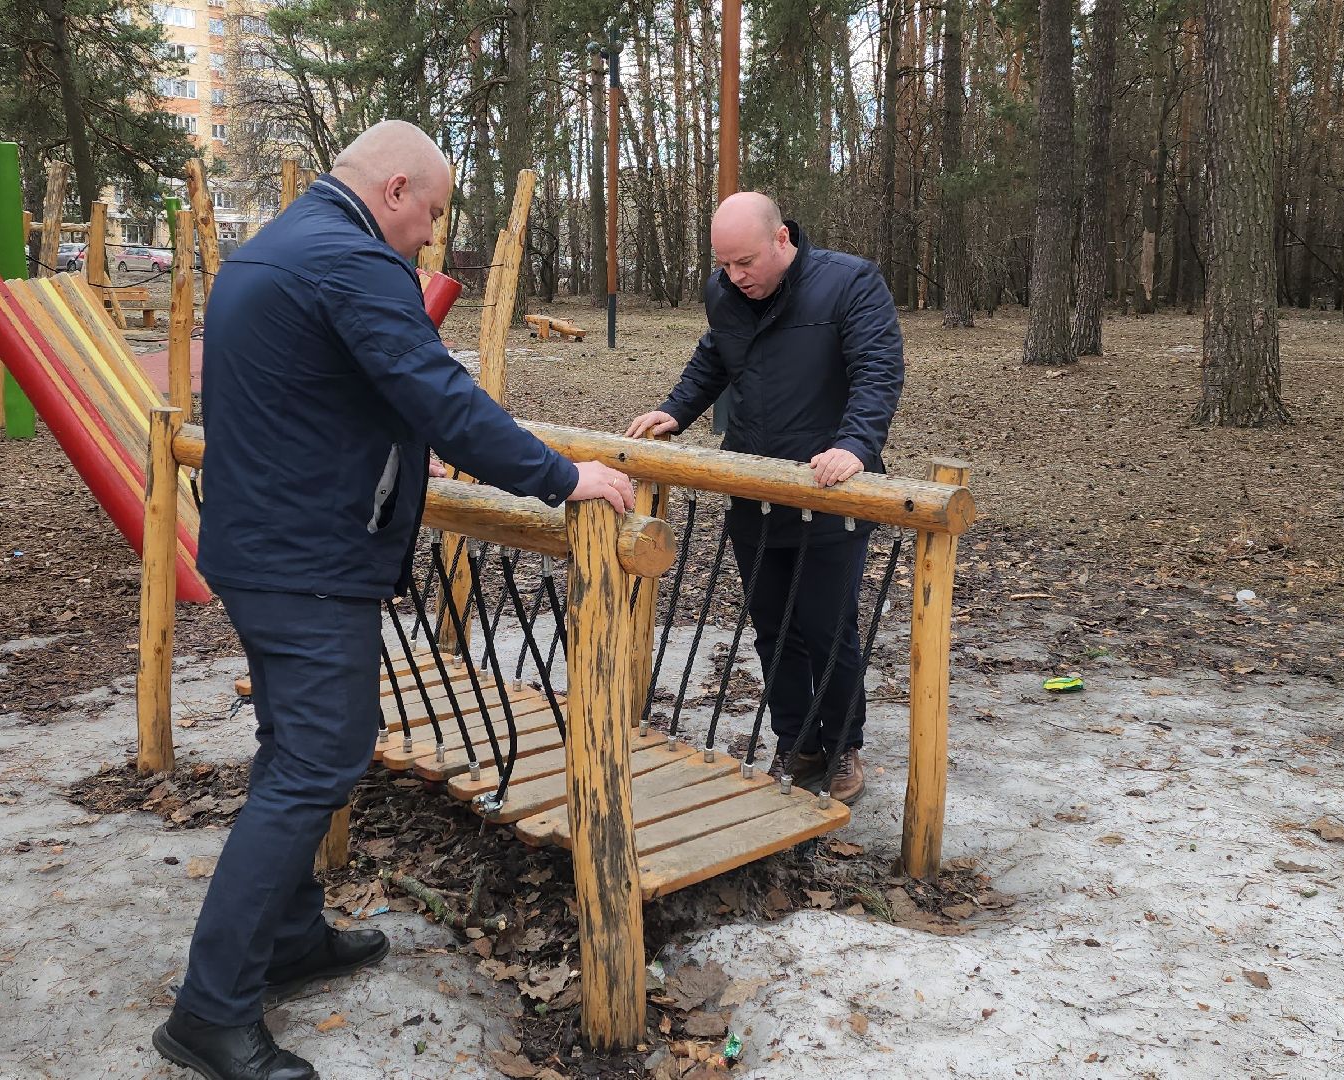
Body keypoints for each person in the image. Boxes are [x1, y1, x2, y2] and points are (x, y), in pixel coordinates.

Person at [156, 120, 636, 1080]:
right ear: (397, 188)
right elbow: (438, 397)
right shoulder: (352, 261)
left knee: (298, 746)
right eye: (433, 212)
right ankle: (211, 1010)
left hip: (260, 545)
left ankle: (288, 936)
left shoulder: (270, 252)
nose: (430, 234)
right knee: (318, 755)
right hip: (308, 559)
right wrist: (559, 476)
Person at [626, 192, 903, 805]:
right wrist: (676, 411)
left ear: (783, 240)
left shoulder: (850, 283)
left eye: (745, 262)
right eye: (724, 264)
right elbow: (713, 359)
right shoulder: (725, 292)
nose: (735, 276)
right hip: (752, 487)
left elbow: (877, 369)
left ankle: (841, 747)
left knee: (827, 626)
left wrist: (856, 445)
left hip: (829, 489)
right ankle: (795, 741)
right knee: (773, 626)